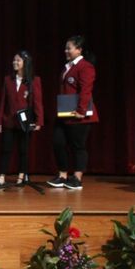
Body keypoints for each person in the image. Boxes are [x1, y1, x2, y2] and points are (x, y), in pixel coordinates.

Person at [48, 35, 98, 190]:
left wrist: (81, 110)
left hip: (79, 114)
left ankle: (77, 178)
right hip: (64, 113)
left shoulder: (85, 66)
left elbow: (86, 90)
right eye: (66, 48)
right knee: (58, 142)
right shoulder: (67, 66)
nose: (66, 51)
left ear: (79, 49)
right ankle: (62, 175)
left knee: (78, 146)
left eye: (69, 48)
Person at [0, 51, 44, 187]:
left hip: (25, 121)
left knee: (24, 150)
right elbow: (3, 102)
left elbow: (37, 102)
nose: (14, 62)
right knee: (6, 149)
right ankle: (2, 176)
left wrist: (39, 121)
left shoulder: (34, 80)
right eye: (14, 60)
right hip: (9, 120)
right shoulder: (7, 79)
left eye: (18, 60)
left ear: (25, 63)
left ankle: (22, 176)